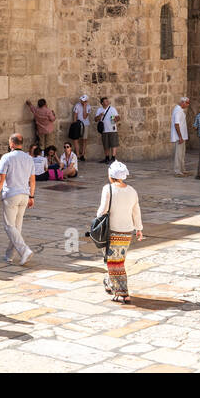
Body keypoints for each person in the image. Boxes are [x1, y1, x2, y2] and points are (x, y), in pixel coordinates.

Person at [95, 160, 143, 304]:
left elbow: (102, 210)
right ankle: (109, 282)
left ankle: (122, 293)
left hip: (112, 231)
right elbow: (136, 211)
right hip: (127, 232)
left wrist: (97, 219)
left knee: (115, 263)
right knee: (116, 260)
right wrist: (139, 228)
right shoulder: (132, 191)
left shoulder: (108, 189)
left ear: (111, 175)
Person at [0, 133, 36, 266]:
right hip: (24, 195)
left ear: (11, 143)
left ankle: (24, 250)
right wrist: (32, 196)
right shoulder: (29, 158)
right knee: (16, 227)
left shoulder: (7, 157)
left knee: (9, 226)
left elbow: (0, 178)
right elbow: (33, 180)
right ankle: (9, 255)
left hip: (11, 195)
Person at [95, 96, 120, 164]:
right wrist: (100, 115)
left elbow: (118, 117)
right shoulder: (99, 110)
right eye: (105, 101)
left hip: (112, 129)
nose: (107, 102)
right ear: (102, 103)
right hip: (104, 130)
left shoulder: (112, 109)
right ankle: (107, 158)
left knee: (113, 144)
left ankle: (113, 158)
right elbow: (96, 119)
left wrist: (115, 119)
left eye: (107, 101)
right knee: (106, 145)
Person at [170, 96, 190, 176]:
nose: (188, 105)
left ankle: (182, 169)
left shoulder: (180, 110)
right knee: (178, 154)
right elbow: (176, 124)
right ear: (183, 102)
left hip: (182, 136)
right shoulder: (177, 111)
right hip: (179, 137)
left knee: (182, 154)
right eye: (187, 103)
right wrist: (180, 137)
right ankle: (177, 170)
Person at [71, 95, 90, 161]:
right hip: (78, 124)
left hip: (85, 124)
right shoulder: (77, 105)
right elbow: (75, 115)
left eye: (84, 100)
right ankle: (78, 155)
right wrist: (74, 124)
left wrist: (84, 106)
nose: (82, 101)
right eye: (81, 100)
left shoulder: (88, 107)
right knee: (76, 139)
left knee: (84, 139)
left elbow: (84, 116)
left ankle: (83, 154)